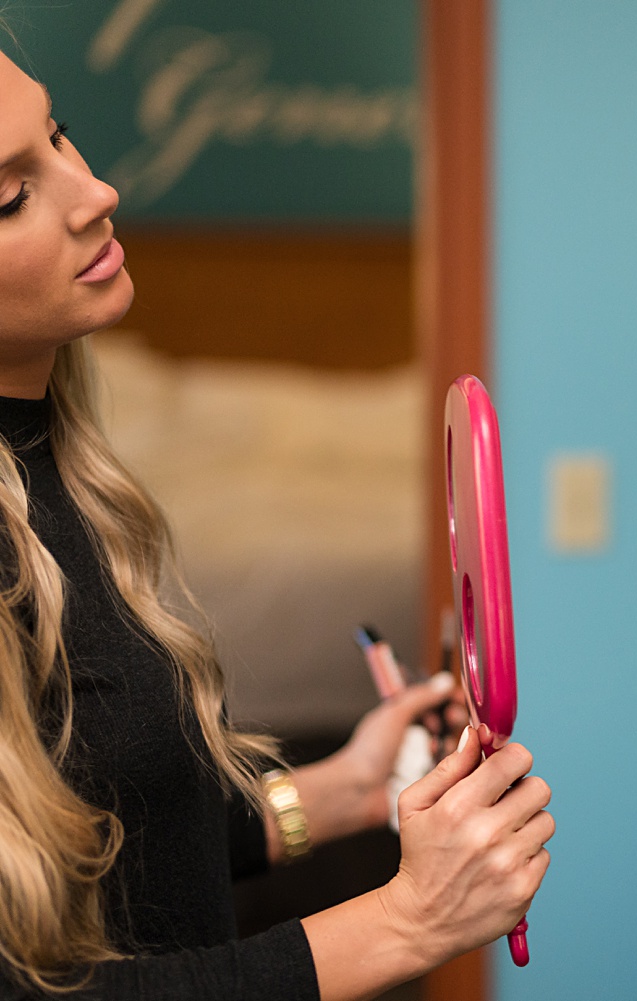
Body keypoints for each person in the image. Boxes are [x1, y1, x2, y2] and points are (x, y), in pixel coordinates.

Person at [0, 45, 553, 999]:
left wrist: (348, 789)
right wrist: (407, 920)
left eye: (57, 134)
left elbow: (108, 828)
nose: (97, 190)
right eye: (9, 197)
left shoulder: (50, 465)